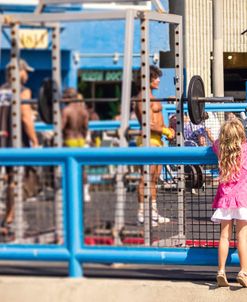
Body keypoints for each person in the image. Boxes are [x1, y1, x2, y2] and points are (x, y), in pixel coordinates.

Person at [0, 58, 39, 234]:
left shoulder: (1, 90)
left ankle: (9, 218)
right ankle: (10, 219)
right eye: (26, 72)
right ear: (19, 72)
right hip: (15, 143)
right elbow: (25, 118)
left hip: (3, 141)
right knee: (16, 181)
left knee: (10, 181)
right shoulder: (23, 91)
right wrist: (36, 142)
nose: (28, 76)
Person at [134, 65, 175, 226]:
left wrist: (169, 130)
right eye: (155, 77)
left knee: (154, 179)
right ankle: (142, 214)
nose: (158, 80)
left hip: (157, 141)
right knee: (146, 178)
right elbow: (147, 123)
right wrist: (165, 130)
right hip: (146, 141)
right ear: (147, 79)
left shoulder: (153, 97)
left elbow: (158, 120)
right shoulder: (142, 98)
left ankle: (154, 213)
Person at [211, 118, 247, 287]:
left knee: (224, 236)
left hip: (225, 199)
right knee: (242, 237)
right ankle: (243, 271)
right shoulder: (246, 149)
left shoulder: (221, 149)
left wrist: (228, 126)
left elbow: (216, 143)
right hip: (242, 199)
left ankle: (221, 271)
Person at [61, 88, 90, 202]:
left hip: (69, 141)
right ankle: (85, 193)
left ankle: (70, 193)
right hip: (81, 141)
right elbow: (85, 128)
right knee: (82, 169)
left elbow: (61, 128)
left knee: (68, 168)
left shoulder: (66, 110)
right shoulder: (83, 111)